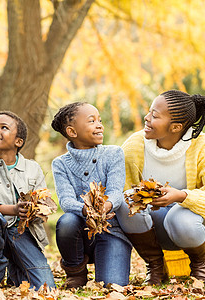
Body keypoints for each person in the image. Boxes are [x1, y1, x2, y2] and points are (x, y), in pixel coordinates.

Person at [116, 90, 205, 284]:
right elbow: (120, 190)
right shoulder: (135, 145)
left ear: (176, 127)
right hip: (152, 229)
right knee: (126, 201)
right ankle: (155, 267)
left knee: (180, 217)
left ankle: (200, 267)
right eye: (149, 112)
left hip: (196, 227)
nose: (146, 118)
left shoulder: (203, 146)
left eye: (155, 115)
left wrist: (182, 196)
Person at [0, 111, 56, 291]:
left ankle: (15, 267)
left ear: (18, 142)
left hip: (23, 233)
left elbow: (44, 202)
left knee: (45, 287)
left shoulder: (33, 168)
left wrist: (38, 209)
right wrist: (12, 209)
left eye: (3, 127)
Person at [51, 102, 132, 288]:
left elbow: (115, 193)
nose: (99, 125)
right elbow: (66, 201)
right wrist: (88, 211)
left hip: (111, 231)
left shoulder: (113, 153)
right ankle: (76, 270)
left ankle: (108, 258)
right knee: (67, 222)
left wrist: (107, 206)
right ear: (72, 132)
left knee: (112, 285)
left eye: (100, 120)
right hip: (81, 230)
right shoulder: (60, 164)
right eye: (92, 121)